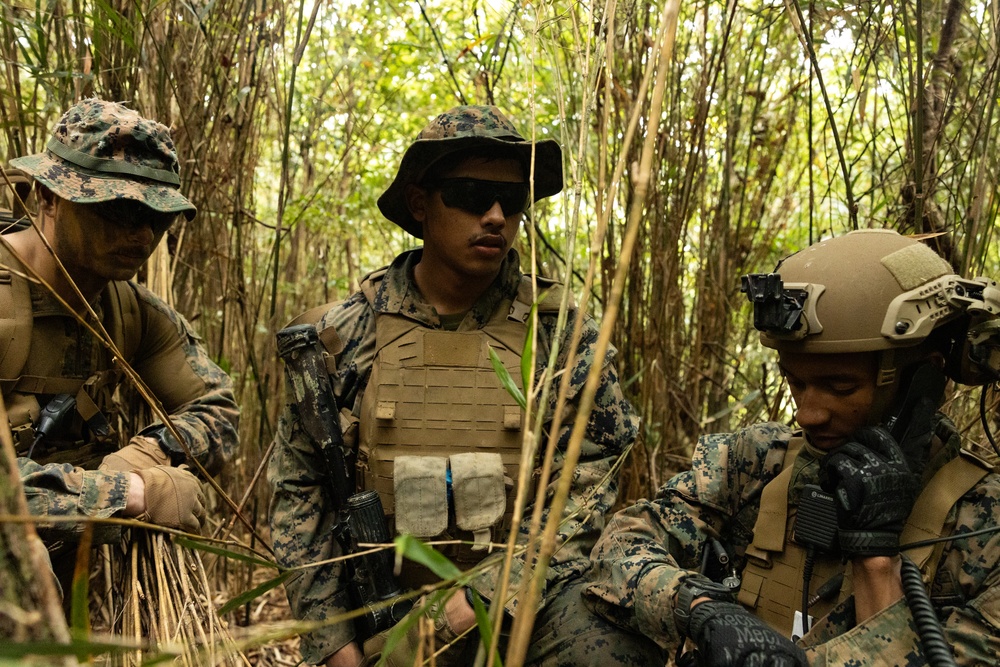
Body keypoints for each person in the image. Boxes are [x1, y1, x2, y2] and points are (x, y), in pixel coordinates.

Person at [268, 105, 659, 666]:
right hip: (379, 614)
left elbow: (589, 490)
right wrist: (335, 647)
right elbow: (301, 498)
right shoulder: (341, 336)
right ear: (421, 203)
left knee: (609, 640)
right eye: (473, 194)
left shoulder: (563, 337)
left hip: (519, 605)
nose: (497, 215)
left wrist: (482, 595)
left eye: (513, 200)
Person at [584, 228, 1000, 665]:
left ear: (925, 380)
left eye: (839, 387)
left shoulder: (982, 528)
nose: (807, 414)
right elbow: (619, 548)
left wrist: (876, 561)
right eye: (795, 382)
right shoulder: (759, 462)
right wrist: (702, 612)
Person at [2, 98, 239, 552]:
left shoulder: (130, 312)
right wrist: (127, 492)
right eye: (117, 210)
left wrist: (148, 454)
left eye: (157, 217)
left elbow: (218, 409)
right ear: (48, 198)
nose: (143, 236)